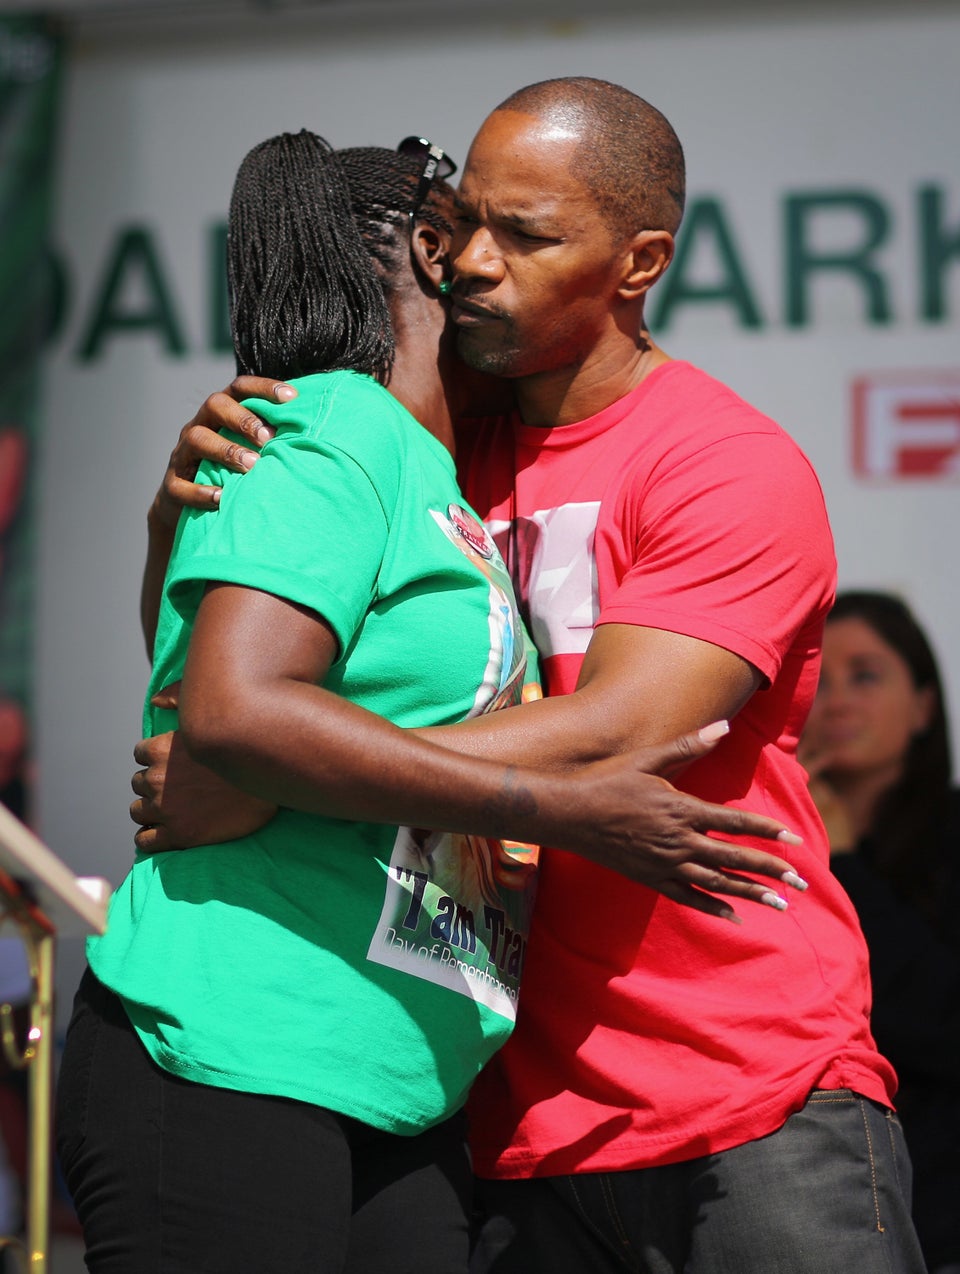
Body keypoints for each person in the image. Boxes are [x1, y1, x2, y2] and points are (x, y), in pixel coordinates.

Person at [132, 79, 924, 1273]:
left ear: (640, 259)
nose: (477, 266)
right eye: (469, 225)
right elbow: (225, 667)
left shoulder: (725, 462)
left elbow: (614, 737)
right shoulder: (421, 443)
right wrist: (178, 517)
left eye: (531, 235)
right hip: (490, 1118)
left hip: (746, 1091)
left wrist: (267, 768)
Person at [802, 590, 960, 1274]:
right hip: (802, 1205)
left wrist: (841, 864)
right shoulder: (755, 845)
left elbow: (943, 1019)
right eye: (816, 680)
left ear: (924, 704)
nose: (835, 700)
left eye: (865, 675)